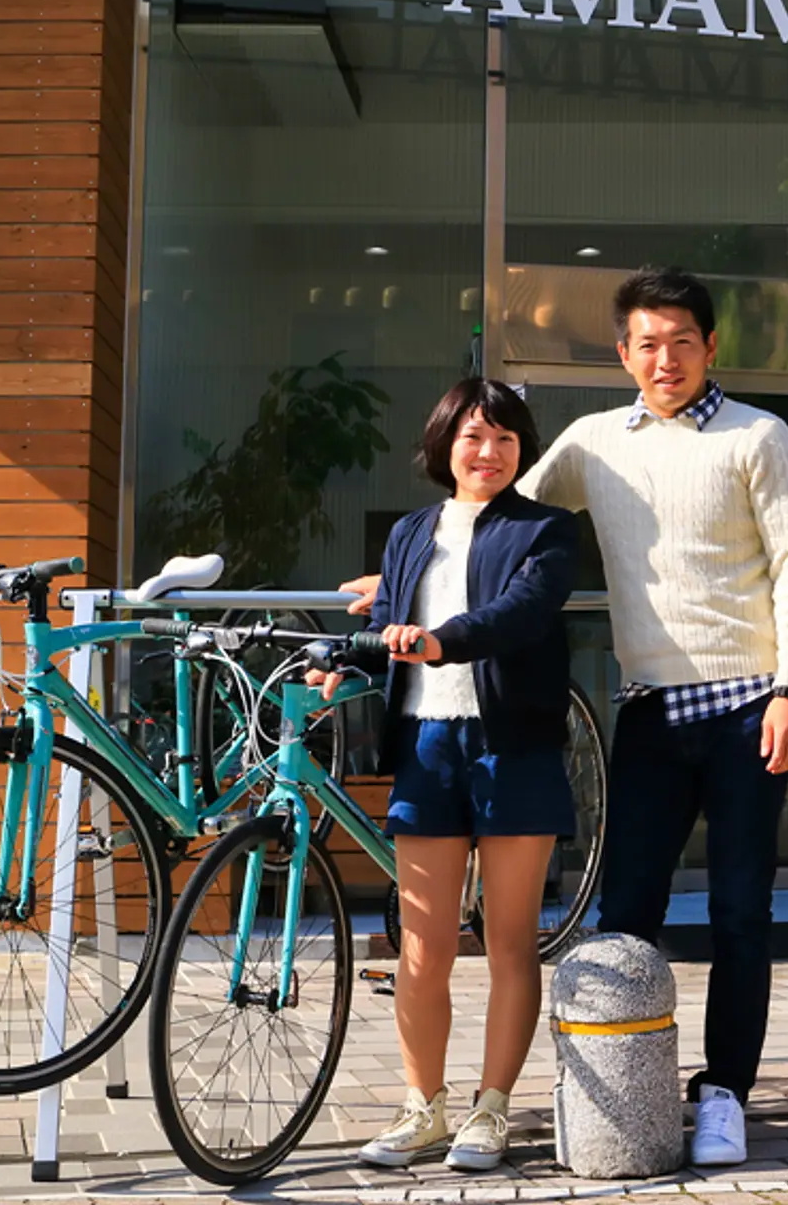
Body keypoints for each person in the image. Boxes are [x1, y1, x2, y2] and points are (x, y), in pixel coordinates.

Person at [343, 267, 788, 1167]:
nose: (666, 359)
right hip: (649, 709)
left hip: (749, 701)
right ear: (623, 354)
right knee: (625, 910)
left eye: (682, 342)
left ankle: (724, 1092)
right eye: (648, 344)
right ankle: (620, 1093)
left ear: (710, 347)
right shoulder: (596, 441)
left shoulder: (760, 436)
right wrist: (410, 576)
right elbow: (503, 511)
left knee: (739, 908)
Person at [315, 377, 579, 1172]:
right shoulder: (409, 532)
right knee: (422, 949)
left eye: (505, 438)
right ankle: (421, 1107)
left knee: (509, 943)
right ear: (444, 444)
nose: (489, 452)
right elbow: (387, 621)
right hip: (428, 748)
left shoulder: (547, 529)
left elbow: (522, 613)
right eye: (473, 436)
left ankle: (490, 1110)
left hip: (515, 746)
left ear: (522, 450)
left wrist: (441, 640)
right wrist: (343, 662)